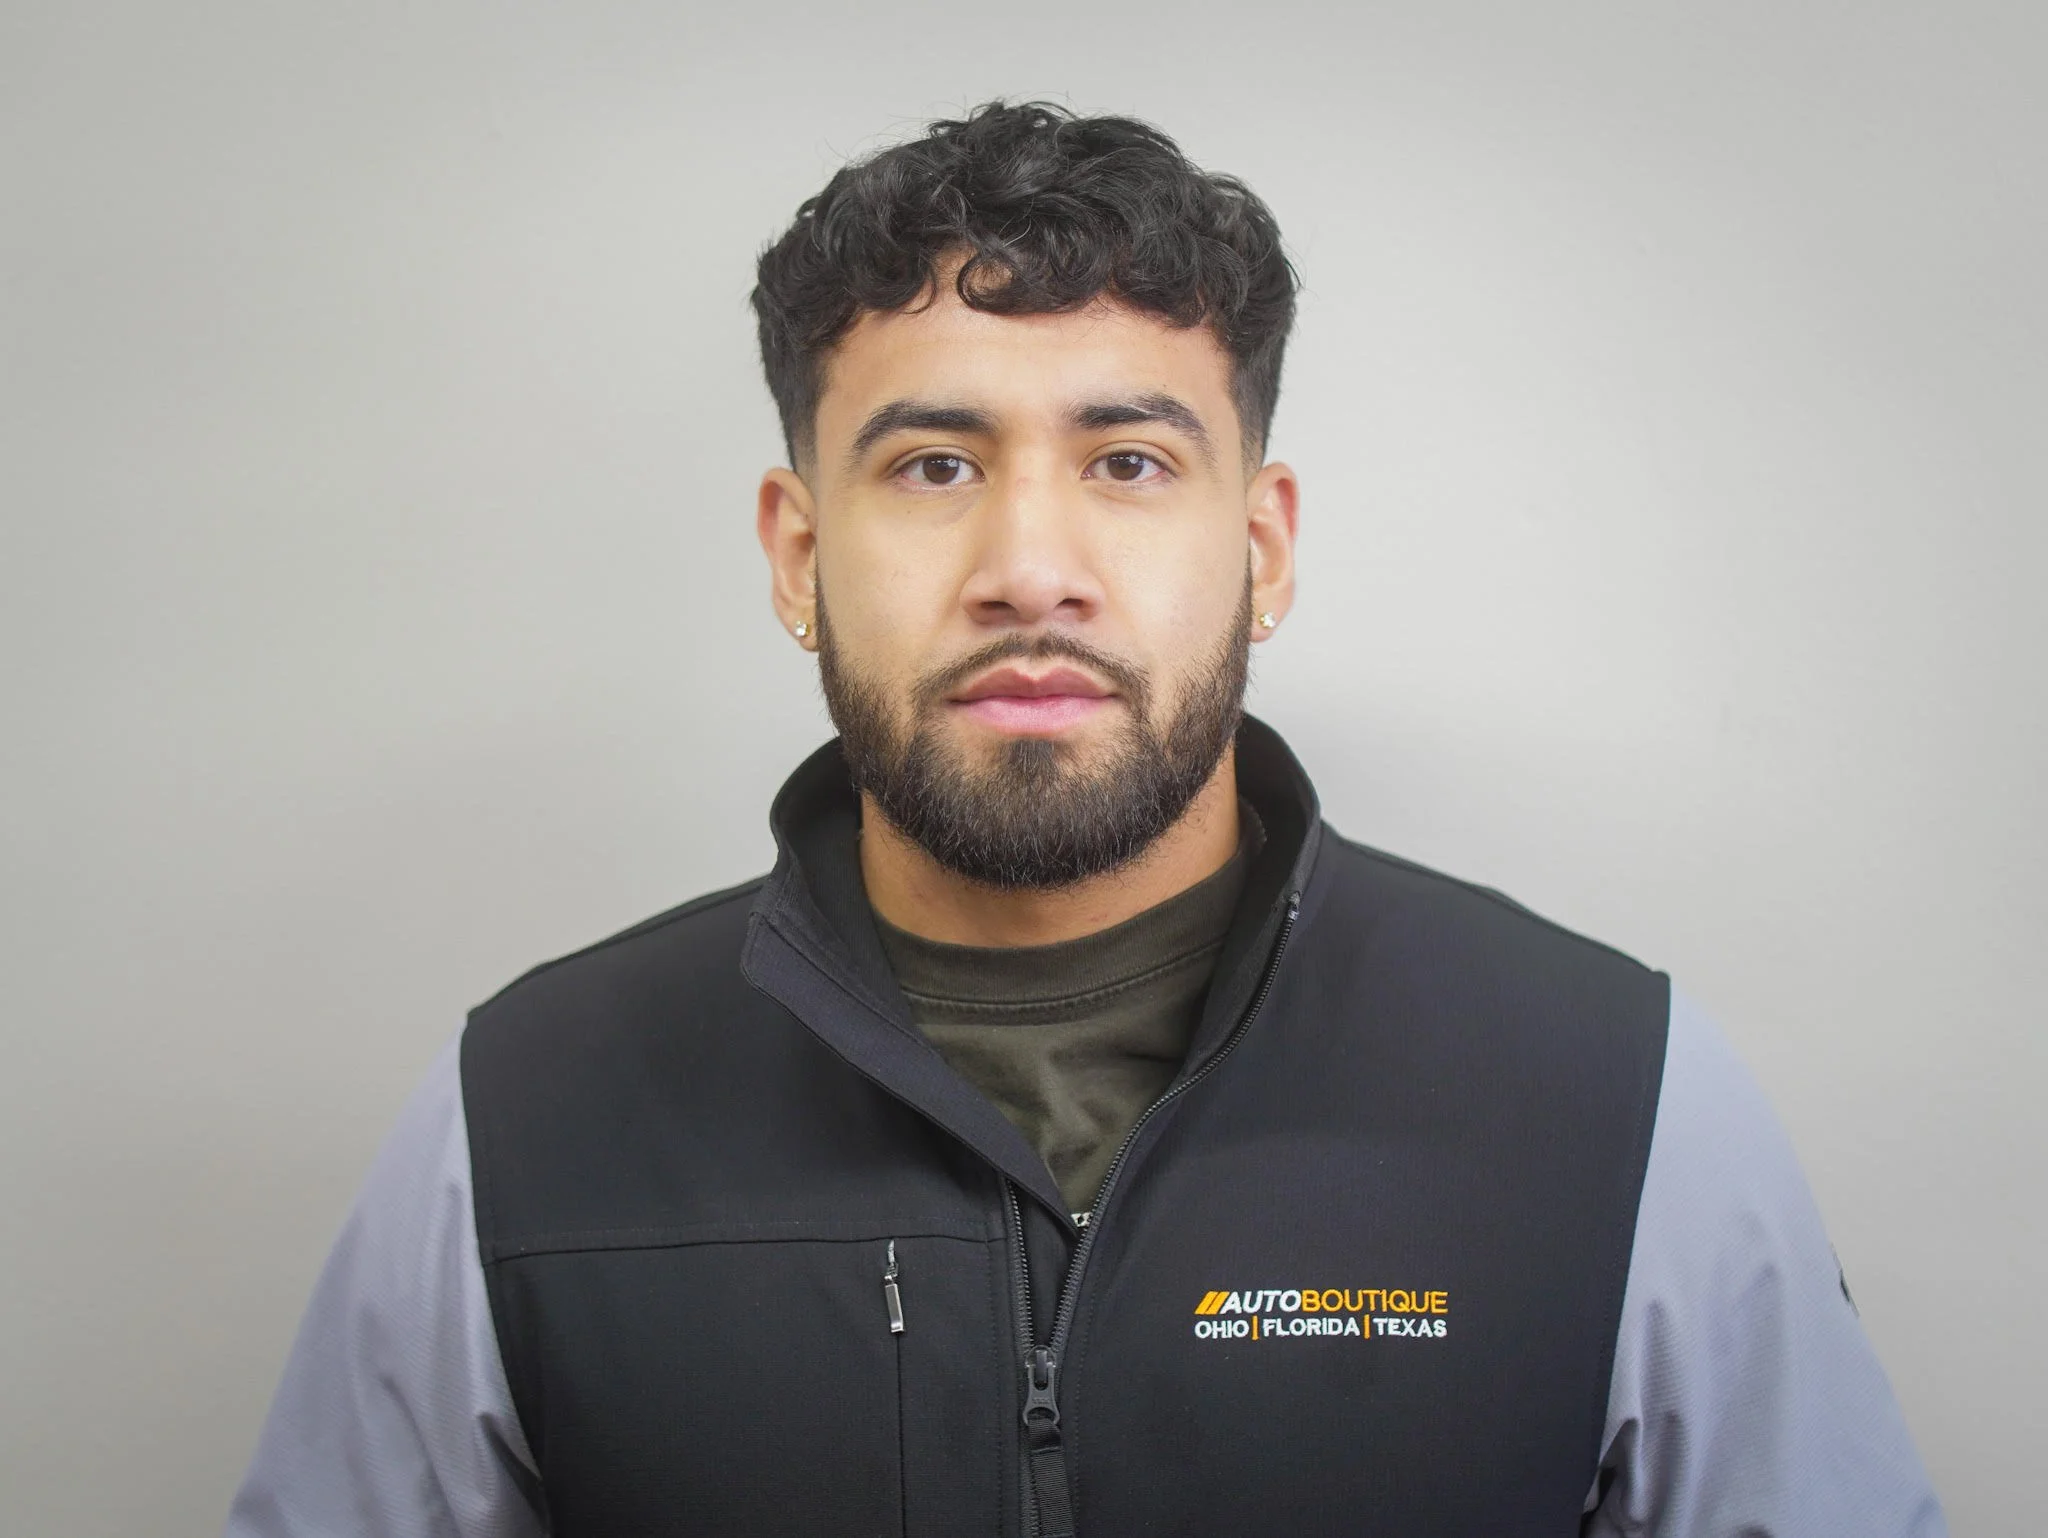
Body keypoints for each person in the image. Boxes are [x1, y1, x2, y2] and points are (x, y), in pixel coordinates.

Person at [227, 101, 1943, 1537]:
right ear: (796, 552)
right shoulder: (517, 1118)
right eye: (933, 466)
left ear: (1261, 546)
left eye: (1126, 461)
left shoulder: (1621, 1096)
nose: (1027, 571)